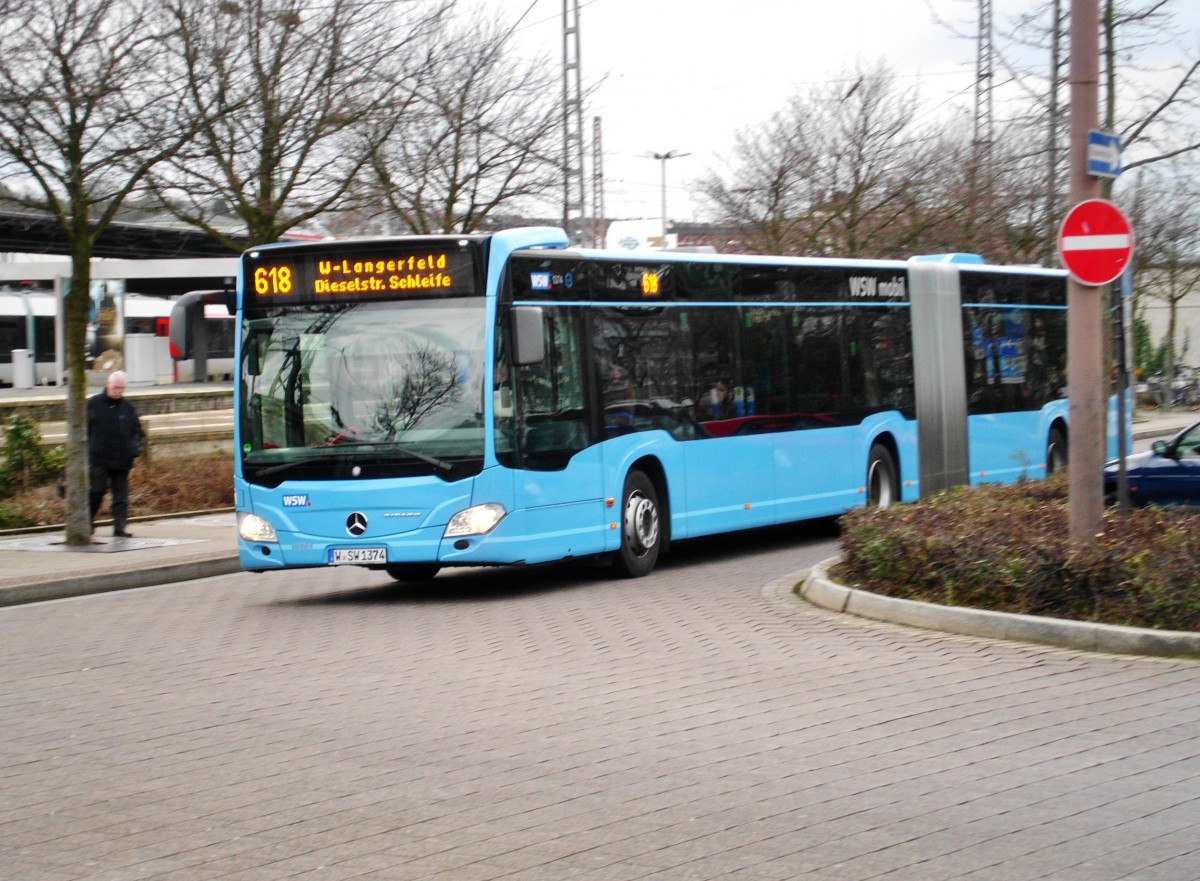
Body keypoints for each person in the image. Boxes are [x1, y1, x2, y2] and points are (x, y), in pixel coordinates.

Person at [87, 370, 143, 538]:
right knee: (97, 490)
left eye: (122, 388)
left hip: (122, 459)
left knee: (121, 496)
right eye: (116, 388)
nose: (118, 392)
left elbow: (137, 431)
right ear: (107, 385)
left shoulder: (128, 408)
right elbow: (84, 430)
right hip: (99, 457)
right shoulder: (93, 404)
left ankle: (120, 528)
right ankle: (87, 521)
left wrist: (134, 448)